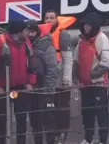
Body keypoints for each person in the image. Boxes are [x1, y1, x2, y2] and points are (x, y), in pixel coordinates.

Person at [0, 20, 36, 144]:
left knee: (21, 119)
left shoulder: (26, 43)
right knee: (2, 119)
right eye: (26, 30)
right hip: (3, 88)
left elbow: (32, 63)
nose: (28, 32)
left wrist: (31, 82)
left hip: (21, 87)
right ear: (19, 32)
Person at [74, 13, 109, 144]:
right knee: (87, 114)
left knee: (101, 114)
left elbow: (107, 62)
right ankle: (87, 139)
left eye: (88, 25)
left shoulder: (102, 38)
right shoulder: (81, 41)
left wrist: (91, 75)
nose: (86, 27)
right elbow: (76, 61)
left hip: (99, 85)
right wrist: (76, 77)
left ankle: (103, 140)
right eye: (84, 25)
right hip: (84, 86)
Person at [44, 10, 74, 143]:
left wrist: (66, 79)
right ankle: (52, 138)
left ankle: (62, 136)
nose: (49, 20)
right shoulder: (43, 35)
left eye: (51, 18)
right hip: (48, 81)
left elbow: (68, 58)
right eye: (46, 18)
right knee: (50, 111)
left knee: (62, 110)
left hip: (61, 80)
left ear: (57, 19)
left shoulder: (63, 34)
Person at [27, 21, 59, 144]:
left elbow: (52, 69)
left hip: (44, 89)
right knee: (35, 120)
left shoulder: (46, 45)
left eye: (32, 31)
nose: (30, 34)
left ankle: (51, 141)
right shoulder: (26, 45)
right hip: (32, 89)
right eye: (28, 31)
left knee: (48, 119)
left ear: (37, 32)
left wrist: (49, 90)